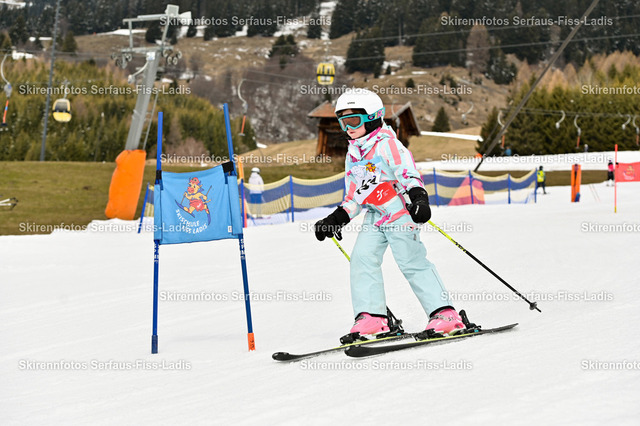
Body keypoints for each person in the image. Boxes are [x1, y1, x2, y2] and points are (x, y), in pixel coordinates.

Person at [314, 88, 464, 340]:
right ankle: (373, 318)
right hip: (375, 216)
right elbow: (354, 198)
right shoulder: (353, 154)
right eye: (343, 122)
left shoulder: (388, 145)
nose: (348, 127)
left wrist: (419, 199)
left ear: (373, 117)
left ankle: (445, 314)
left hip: (400, 213)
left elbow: (409, 174)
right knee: (362, 259)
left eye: (353, 120)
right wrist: (335, 219)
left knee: (411, 261)